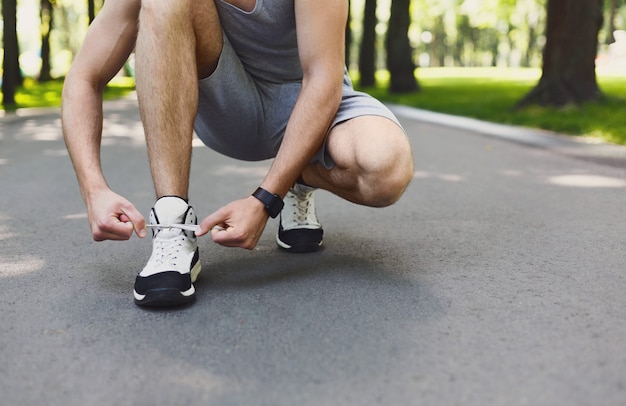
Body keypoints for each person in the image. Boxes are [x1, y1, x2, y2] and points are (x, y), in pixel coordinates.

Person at [62, 0, 414, 308]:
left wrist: (265, 199)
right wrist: (93, 189)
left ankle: (297, 177)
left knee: (385, 170)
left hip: (308, 103)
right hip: (231, 109)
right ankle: (172, 222)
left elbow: (323, 77)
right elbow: (83, 77)